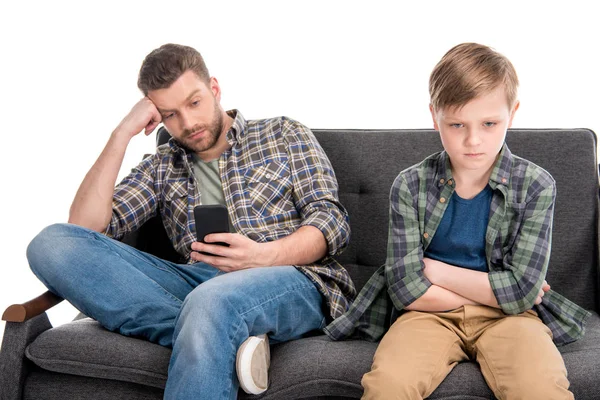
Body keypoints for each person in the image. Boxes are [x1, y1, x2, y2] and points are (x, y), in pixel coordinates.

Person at [27, 43, 355, 400]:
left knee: (211, 302)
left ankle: (214, 324)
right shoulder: (163, 166)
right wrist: (122, 133)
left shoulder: (283, 134)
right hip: (198, 282)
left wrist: (261, 256)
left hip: (291, 276)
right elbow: (85, 230)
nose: (188, 123)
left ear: (214, 88)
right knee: (51, 243)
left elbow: (331, 221)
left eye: (194, 103)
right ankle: (227, 336)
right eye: (170, 114)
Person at [325, 43, 590, 399]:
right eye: (457, 124)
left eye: (489, 123)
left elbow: (523, 293)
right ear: (435, 117)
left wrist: (435, 270)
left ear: (512, 113)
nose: (473, 140)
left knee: (539, 387)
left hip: (511, 321)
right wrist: (499, 293)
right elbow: (405, 290)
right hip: (427, 317)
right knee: (389, 385)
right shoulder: (410, 184)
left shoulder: (536, 185)